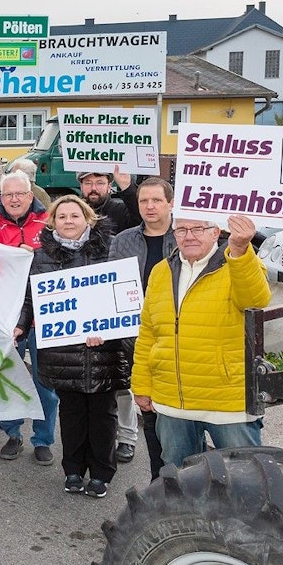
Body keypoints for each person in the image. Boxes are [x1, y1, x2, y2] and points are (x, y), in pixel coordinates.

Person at [132, 214, 271, 469]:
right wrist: (141, 384)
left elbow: (256, 301)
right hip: (173, 402)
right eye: (182, 229)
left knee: (244, 481)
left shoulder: (239, 263)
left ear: (215, 232)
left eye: (198, 228)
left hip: (227, 403)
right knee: (180, 483)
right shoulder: (161, 271)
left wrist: (240, 251)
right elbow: (149, 332)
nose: (189, 235)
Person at [17, 195, 127, 498]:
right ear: (52, 221)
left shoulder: (111, 249)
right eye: (62, 216)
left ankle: (101, 474)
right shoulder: (39, 257)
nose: (68, 221)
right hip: (62, 349)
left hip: (103, 347)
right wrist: (21, 325)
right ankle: (74, 470)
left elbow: (122, 292)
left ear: (88, 219)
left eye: (74, 216)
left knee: (103, 413)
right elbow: (29, 299)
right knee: (72, 413)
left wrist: (107, 329)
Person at [0, 171, 56, 464]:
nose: (14, 200)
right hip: (6, 317)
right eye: (8, 194)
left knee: (46, 385)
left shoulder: (50, 224)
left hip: (44, 317)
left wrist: (32, 256)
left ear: (30, 195)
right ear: (1, 197)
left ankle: (43, 439)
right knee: (8, 379)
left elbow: (61, 259)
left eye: (19, 194)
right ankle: (13, 434)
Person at [107, 177, 177, 478]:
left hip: (178, 339)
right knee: (148, 412)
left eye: (156, 201)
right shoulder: (123, 241)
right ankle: (158, 479)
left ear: (170, 203)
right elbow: (110, 287)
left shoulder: (186, 237)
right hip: (137, 340)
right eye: (144, 201)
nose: (149, 206)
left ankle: (186, 479)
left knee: (177, 417)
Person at [77, 169, 141, 233]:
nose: (93, 188)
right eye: (88, 183)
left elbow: (141, 220)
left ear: (109, 187)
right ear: (81, 186)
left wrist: (127, 189)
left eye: (100, 183)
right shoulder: (71, 211)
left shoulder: (120, 211)